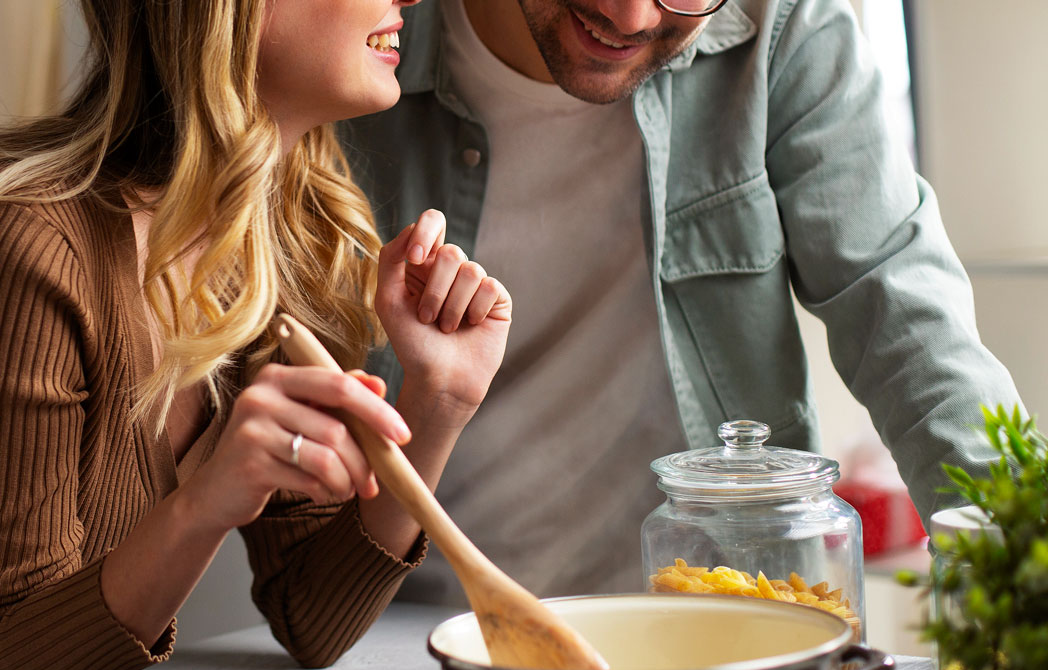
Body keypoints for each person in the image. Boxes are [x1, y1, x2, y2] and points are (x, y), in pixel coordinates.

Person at [0, 0, 510, 670]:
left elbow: (314, 618)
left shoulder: (286, 236)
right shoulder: (20, 243)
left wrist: (438, 403)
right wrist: (204, 504)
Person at [339, 0, 1023, 607]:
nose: (633, 18)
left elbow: (904, 315)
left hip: (730, 621)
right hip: (431, 635)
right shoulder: (354, 48)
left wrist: (1020, 568)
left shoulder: (782, 28)